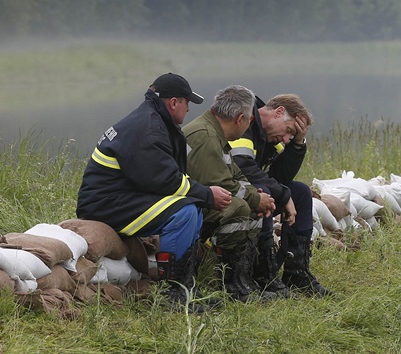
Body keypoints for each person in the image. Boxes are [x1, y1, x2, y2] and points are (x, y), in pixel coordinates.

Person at [76, 73, 232, 311]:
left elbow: (163, 176)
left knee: (194, 206)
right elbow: (166, 180)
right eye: (187, 102)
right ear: (173, 102)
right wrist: (208, 194)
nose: (189, 109)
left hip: (123, 198)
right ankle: (173, 292)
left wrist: (202, 196)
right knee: (186, 212)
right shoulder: (148, 128)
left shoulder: (153, 121)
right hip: (105, 205)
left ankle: (185, 285)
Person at [229, 93, 333, 298]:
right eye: (288, 131)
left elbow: (280, 178)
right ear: (278, 112)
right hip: (230, 194)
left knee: (301, 192)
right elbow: (244, 168)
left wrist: (297, 144)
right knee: (266, 192)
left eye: (290, 137)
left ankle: (297, 273)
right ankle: (264, 276)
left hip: (252, 193)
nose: (285, 139)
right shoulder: (244, 123)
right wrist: (283, 196)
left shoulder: (271, 137)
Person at [182, 85, 277, 302]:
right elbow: (219, 183)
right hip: (186, 204)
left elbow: (236, 175)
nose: (249, 125)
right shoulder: (205, 135)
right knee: (239, 207)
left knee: (250, 206)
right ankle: (232, 285)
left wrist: (257, 195)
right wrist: (254, 199)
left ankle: (244, 280)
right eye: (250, 120)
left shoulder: (215, 133)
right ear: (241, 118)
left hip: (201, 198)